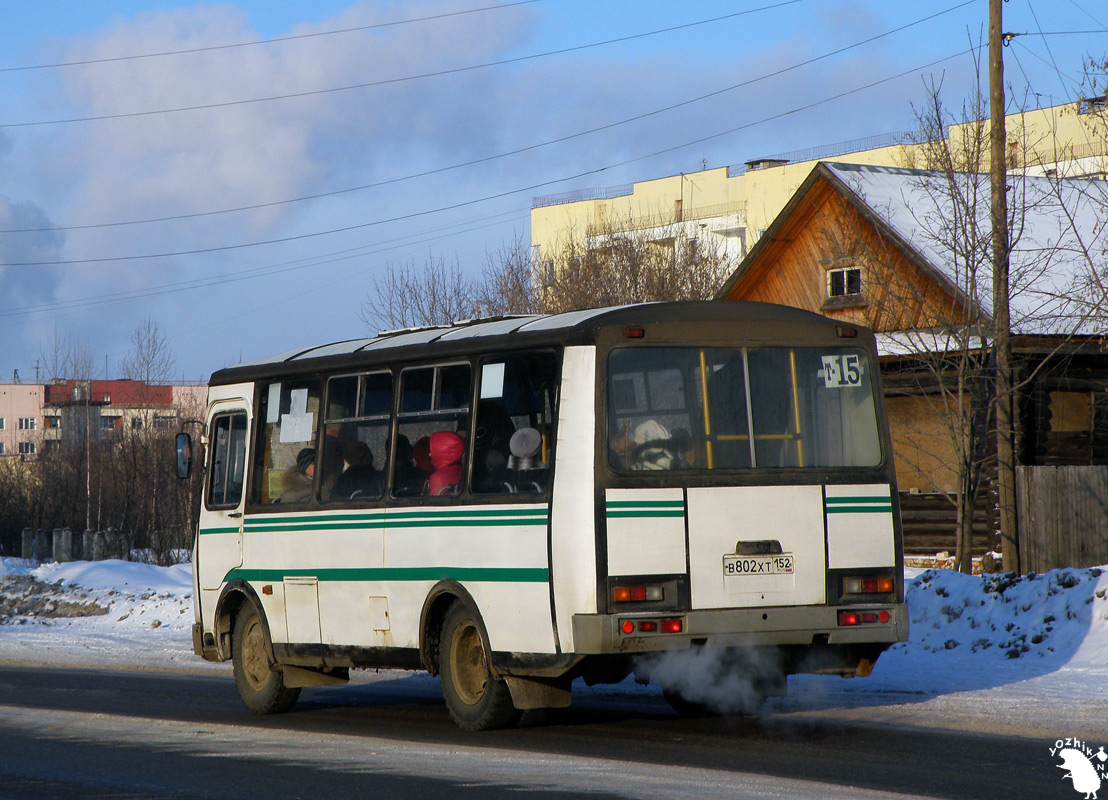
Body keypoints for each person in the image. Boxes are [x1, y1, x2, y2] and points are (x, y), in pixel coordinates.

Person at [428, 430, 465, 495]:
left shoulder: (437, 478)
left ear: (441, 452)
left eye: (434, 451)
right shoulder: (464, 471)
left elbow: (435, 503)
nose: (430, 454)